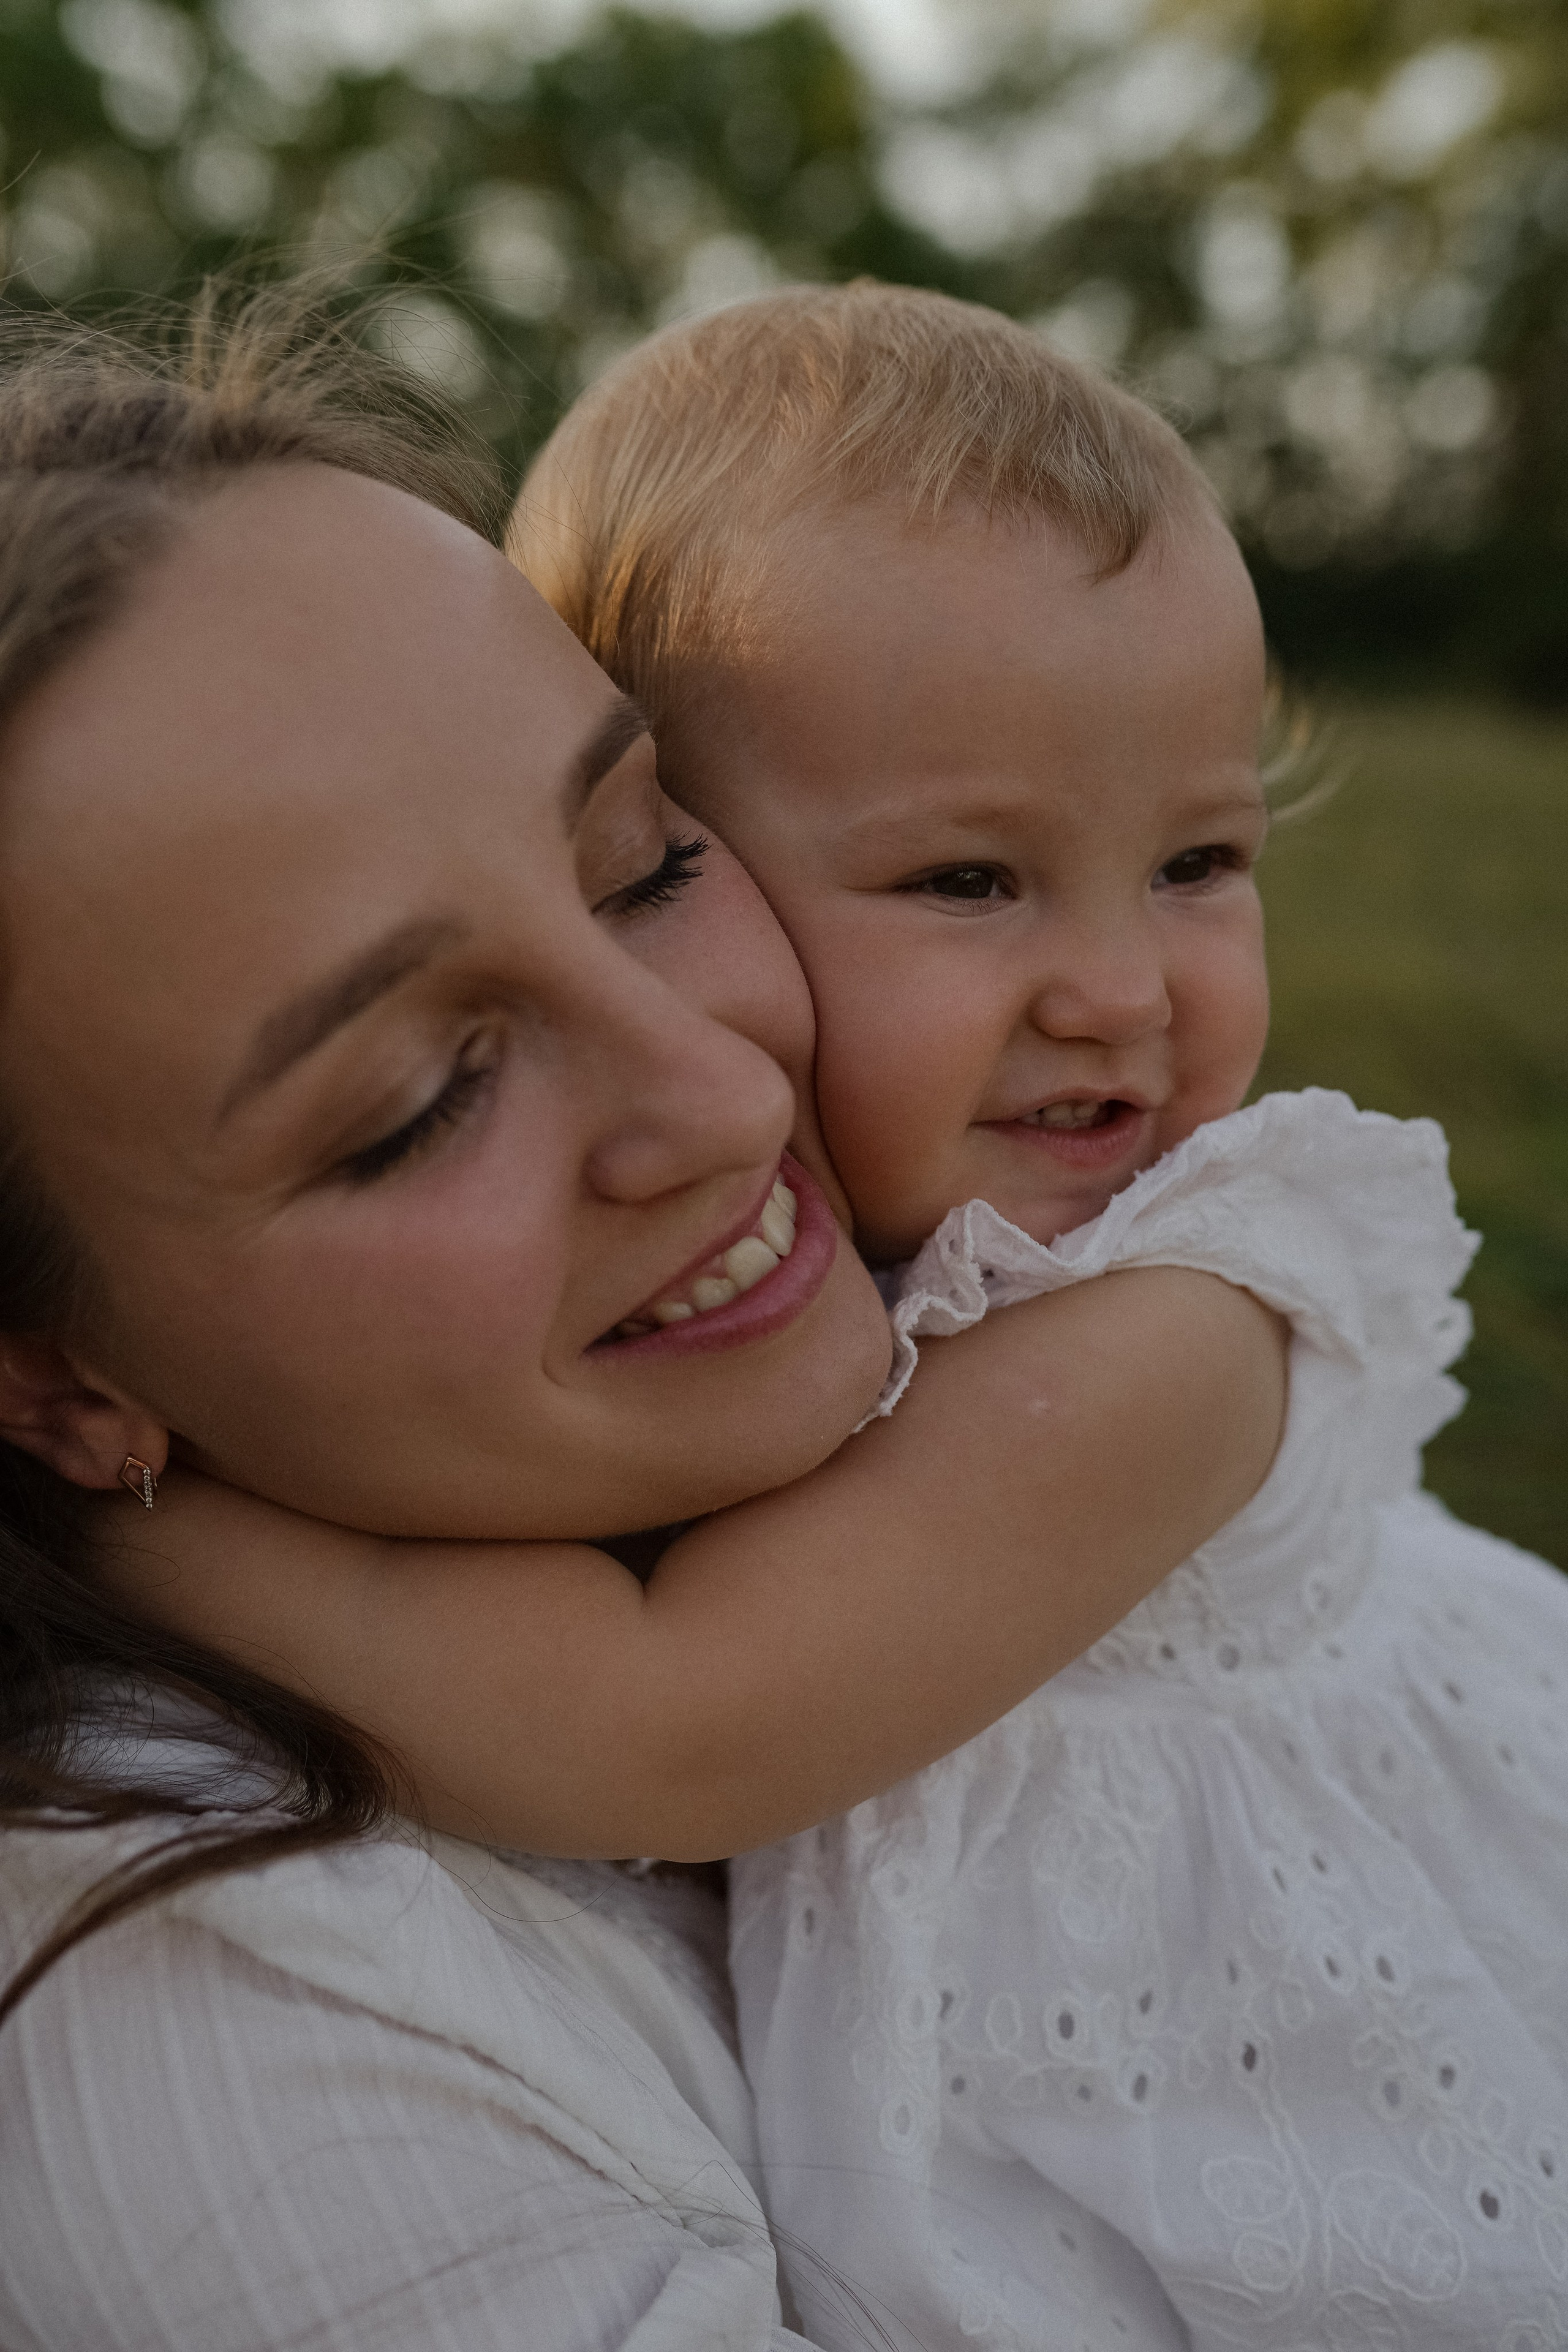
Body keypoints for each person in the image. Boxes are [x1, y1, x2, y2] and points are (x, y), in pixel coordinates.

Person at [0, 290, 1286, 2352]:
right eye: (420, 1103)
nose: (724, 1094)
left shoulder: (1150, 1290)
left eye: (645, 860)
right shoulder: (203, 1995)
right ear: (49, 1383)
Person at [511, 282, 1568, 2345]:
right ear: (663, 880)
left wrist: (133, 1540)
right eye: (974, 884)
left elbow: (672, 1726)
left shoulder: (1190, 1304)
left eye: (1196, 858)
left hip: (1319, 2103)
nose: (1124, 987)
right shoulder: (704, 1267)